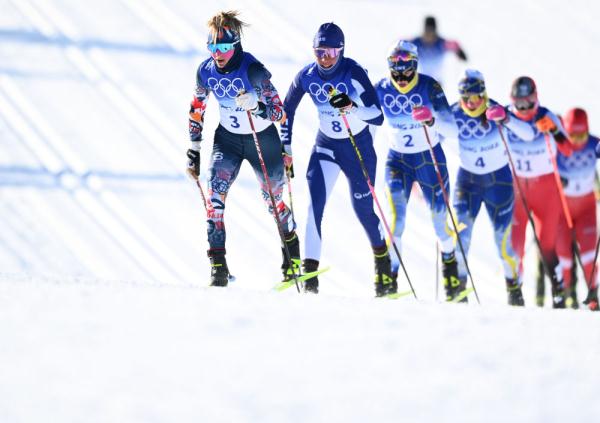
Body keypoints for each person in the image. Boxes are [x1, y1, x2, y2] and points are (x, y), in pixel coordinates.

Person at [186, 11, 300, 287]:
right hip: (228, 141)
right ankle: (218, 267)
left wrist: (257, 105)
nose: (218, 53)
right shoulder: (205, 71)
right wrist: (194, 149)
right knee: (215, 198)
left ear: (235, 44)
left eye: (224, 47)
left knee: (273, 203)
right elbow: (197, 108)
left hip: (263, 140)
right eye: (212, 47)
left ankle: (292, 259)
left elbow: (280, 113)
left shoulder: (253, 70)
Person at [281, 22, 392, 296]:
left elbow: (377, 115)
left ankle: (383, 264)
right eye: (319, 52)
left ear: (341, 50)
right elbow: (287, 110)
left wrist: (352, 107)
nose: (325, 58)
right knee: (314, 207)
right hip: (327, 146)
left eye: (330, 52)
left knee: (363, 211)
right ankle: (310, 278)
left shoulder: (352, 72)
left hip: (358, 149)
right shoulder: (307, 76)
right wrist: (286, 147)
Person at [374, 40, 461, 301]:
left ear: (415, 66)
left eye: (407, 70)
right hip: (398, 161)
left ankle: (451, 274)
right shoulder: (381, 87)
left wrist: (432, 120)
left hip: (429, 159)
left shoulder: (429, 86)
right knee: (394, 220)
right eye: (396, 70)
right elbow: (368, 119)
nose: (401, 76)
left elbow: (452, 130)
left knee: (439, 222)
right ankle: (387, 277)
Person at [450, 69, 534, 306]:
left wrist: (506, 119)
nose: (471, 103)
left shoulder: (496, 111)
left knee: (503, 242)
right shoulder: (454, 113)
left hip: (499, 182)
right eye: (466, 98)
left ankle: (514, 291)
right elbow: (436, 134)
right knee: (461, 237)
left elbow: (528, 134)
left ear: (484, 94)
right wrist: (429, 121)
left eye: (476, 97)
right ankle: (458, 290)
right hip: (468, 183)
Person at [505, 76, 570, 308]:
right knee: (515, 245)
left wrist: (553, 130)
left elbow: (567, 148)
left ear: (536, 99)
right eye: (518, 104)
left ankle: (559, 293)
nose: (523, 110)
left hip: (546, 189)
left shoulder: (547, 116)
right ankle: (515, 292)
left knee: (546, 245)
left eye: (528, 104)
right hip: (518, 188)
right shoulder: (506, 116)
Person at [556, 107, 600, 311]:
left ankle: (593, 295)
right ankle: (568, 295)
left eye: (582, 134)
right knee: (564, 259)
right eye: (572, 135)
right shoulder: (557, 145)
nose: (577, 140)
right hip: (562, 209)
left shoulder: (593, 144)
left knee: (589, 257)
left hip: (586, 208)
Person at [410, 16, 468, 85]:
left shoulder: (441, 43)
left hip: (437, 82)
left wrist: (460, 53)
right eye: (428, 31)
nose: (429, 34)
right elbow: (400, 45)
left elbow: (455, 45)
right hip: (421, 81)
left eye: (432, 31)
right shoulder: (416, 43)